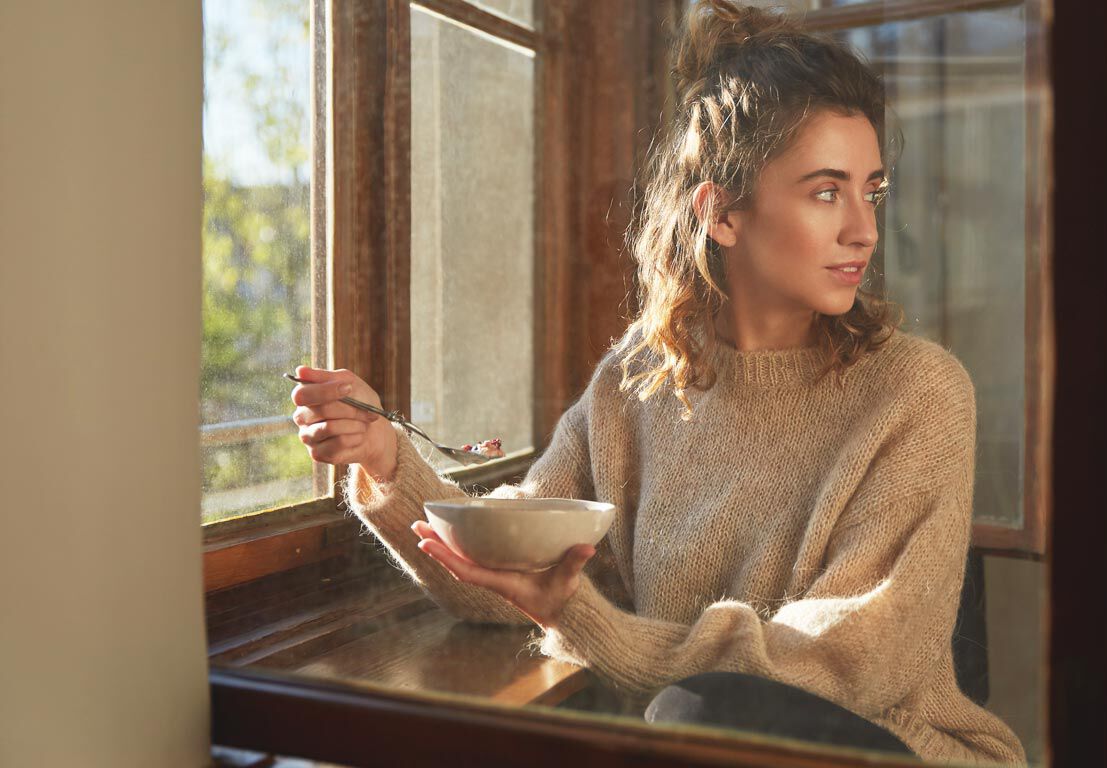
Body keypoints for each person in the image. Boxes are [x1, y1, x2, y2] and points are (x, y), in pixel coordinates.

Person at [289, 1, 1025, 763]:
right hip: (697, 751)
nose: (864, 229)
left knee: (688, 710)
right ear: (722, 214)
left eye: (870, 189)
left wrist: (590, 623)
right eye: (825, 191)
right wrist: (383, 461)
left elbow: (843, 670)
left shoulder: (919, 393)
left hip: (889, 751)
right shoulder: (637, 384)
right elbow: (513, 568)